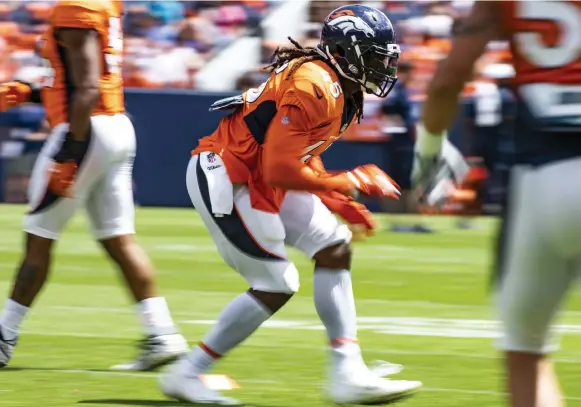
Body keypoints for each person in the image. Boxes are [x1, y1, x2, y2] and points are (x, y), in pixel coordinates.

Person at [160, 4, 422, 406]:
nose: (381, 67)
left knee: (333, 246)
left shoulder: (339, 87)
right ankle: (187, 372)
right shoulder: (314, 84)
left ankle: (347, 372)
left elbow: (300, 153)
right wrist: (348, 181)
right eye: (372, 56)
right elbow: (280, 168)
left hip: (259, 173)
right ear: (345, 52)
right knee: (276, 283)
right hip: (229, 176)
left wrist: (334, 197)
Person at [0, 0, 187, 371]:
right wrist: (31, 92)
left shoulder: (77, 6)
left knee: (38, 239)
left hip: (87, 131)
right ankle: (162, 333)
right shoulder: (103, 5)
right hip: (114, 126)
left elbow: (86, 87)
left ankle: (4, 338)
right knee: (118, 238)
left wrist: (70, 152)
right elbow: (85, 79)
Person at [411, 1, 581, 406]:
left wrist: (429, 151)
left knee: (525, 349)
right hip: (541, 169)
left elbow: (448, 80)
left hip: (544, 179)